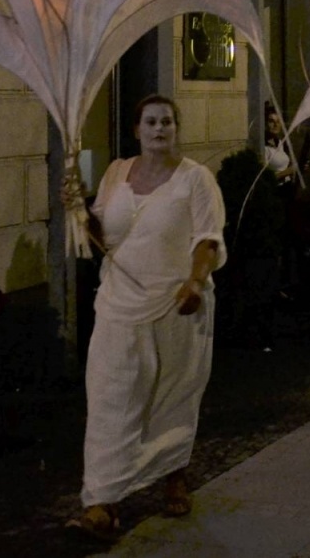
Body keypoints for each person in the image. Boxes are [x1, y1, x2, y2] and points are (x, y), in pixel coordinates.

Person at [72, 96, 226, 541]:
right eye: (151, 121)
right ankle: (101, 501)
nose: (159, 129)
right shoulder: (116, 173)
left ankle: (173, 473)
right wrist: (78, 214)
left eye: (168, 122)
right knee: (109, 397)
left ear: (177, 128)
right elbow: (102, 230)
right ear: (137, 129)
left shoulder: (197, 180)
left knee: (170, 397)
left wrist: (195, 283)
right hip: (119, 302)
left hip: (178, 304)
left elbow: (208, 239)